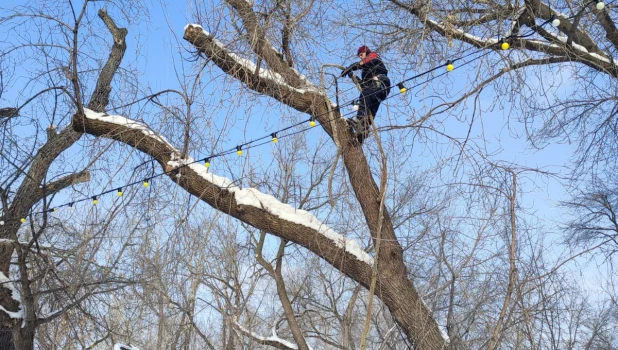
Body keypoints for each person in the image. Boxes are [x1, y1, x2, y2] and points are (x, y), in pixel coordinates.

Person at [341, 45, 391, 143]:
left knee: (365, 94)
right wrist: (354, 77)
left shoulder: (373, 56)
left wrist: (351, 67)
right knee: (370, 108)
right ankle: (363, 130)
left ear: (366, 52)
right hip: (376, 89)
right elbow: (364, 85)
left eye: (361, 54)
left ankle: (358, 119)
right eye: (359, 55)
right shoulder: (365, 71)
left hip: (380, 82)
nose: (360, 56)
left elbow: (365, 62)